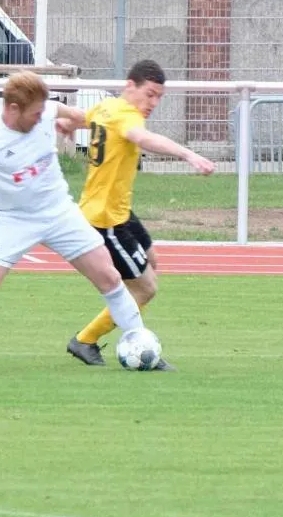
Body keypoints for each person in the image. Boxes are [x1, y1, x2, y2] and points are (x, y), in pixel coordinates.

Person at [0, 71, 151, 370]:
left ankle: (142, 346)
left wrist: (77, 122)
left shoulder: (45, 110)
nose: (40, 117)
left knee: (109, 277)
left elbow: (78, 116)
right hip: (14, 220)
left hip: (60, 212)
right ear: (13, 108)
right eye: (34, 113)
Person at [65, 60, 215, 371]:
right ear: (130, 86)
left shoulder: (107, 107)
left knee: (151, 262)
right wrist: (188, 154)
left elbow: (84, 118)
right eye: (150, 94)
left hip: (120, 212)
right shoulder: (128, 117)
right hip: (106, 221)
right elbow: (143, 138)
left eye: (159, 97)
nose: (154, 103)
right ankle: (90, 340)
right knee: (145, 288)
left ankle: (103, 336)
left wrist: (66, 122)